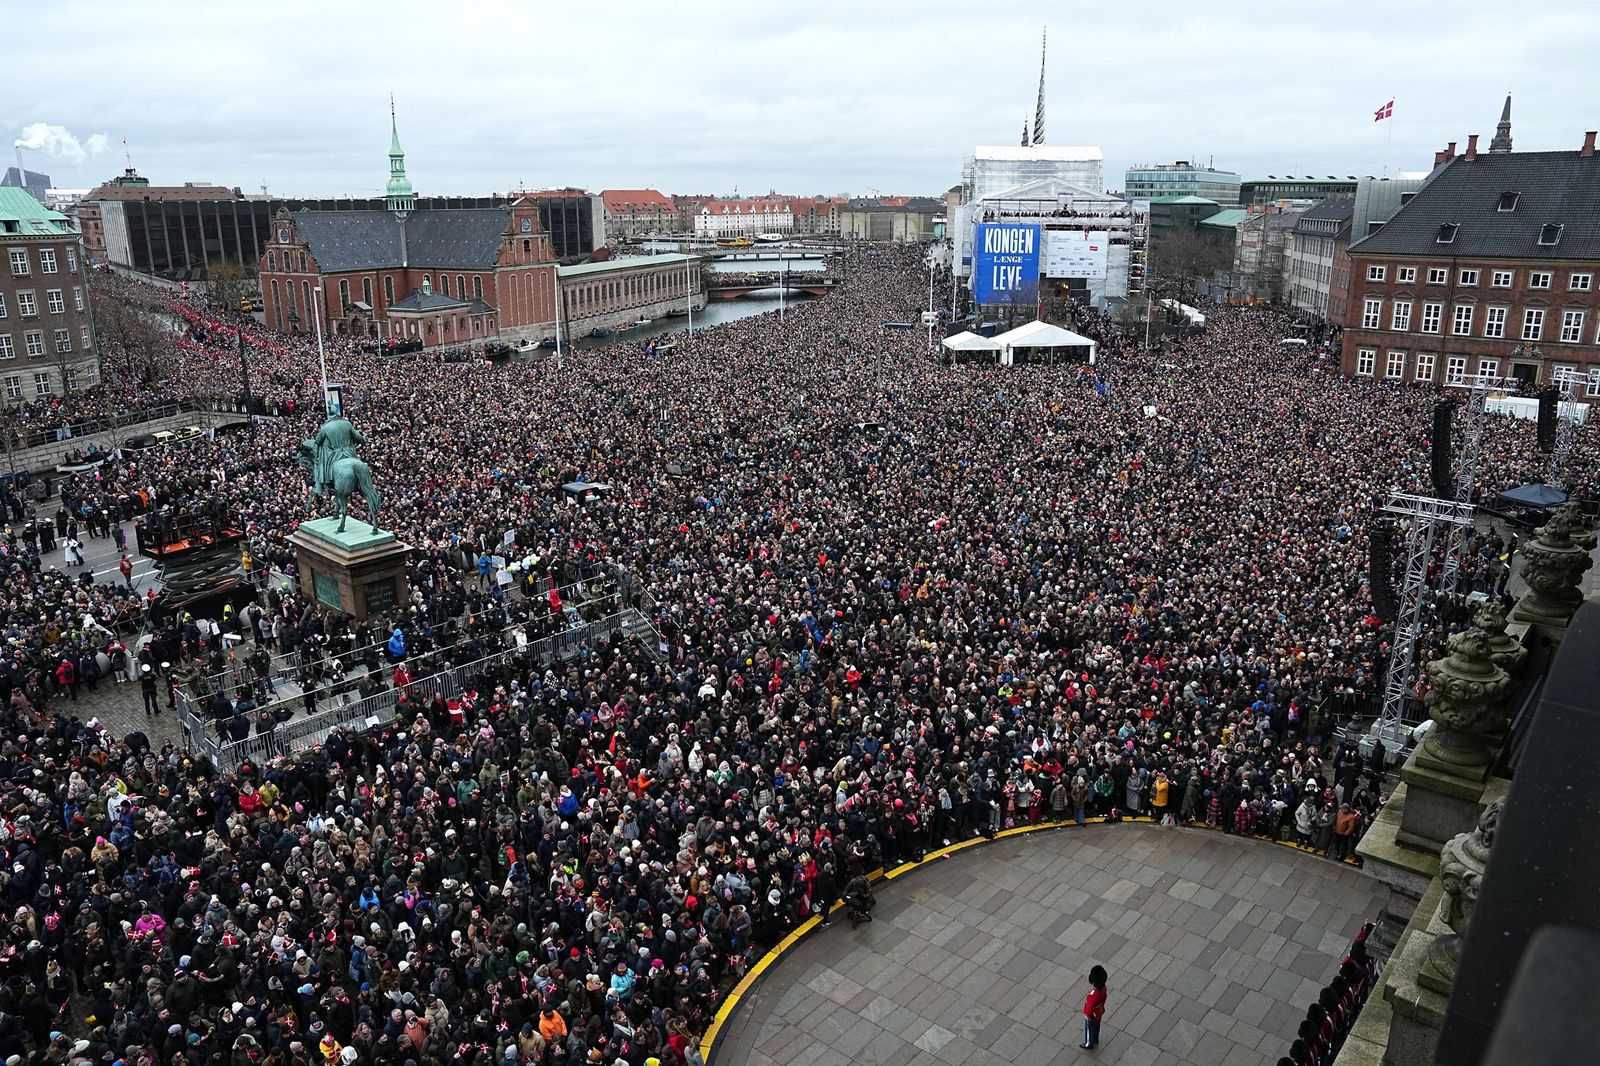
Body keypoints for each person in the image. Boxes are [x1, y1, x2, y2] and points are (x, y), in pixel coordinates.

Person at [1082, 964, 1108, 1050]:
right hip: (1099, 1012)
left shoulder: (1092, 996)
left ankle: (1089, 1043)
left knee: (1089, 1029)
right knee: (1097, 1027)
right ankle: (1095, 1039)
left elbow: (1089, 1011)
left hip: (1092, 1016)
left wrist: (1089, 1016)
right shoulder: (1104, 988)